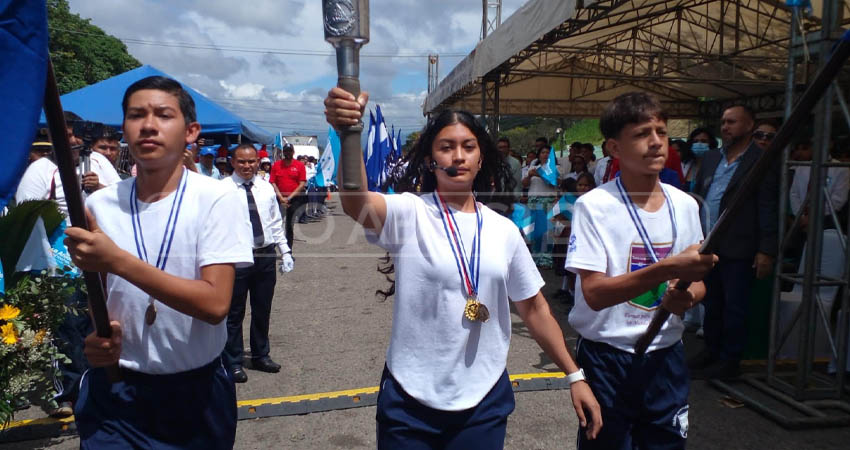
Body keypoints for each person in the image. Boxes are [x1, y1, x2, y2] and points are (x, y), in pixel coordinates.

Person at [324, 87, 601, 449]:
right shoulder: (410, 212)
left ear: (481, 158)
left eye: (468, 147)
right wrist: (349, 133)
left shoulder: (503, 230)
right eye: (446, 147)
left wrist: (574, 374)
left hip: (482, 402)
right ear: (429, 159)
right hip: (410, 399)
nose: (458, 156)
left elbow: (533, 308)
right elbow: (355, 201)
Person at [64, 75, 253, 449]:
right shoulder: (100, 204)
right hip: (116, 390)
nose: (148, 125)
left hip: (195, 395)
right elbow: (98, 294)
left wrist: (117, 260)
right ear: (125, 130)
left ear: (191, 131)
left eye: (163, 115)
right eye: (136, 115)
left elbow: (215, 305)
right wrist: (99, 337)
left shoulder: (217, 198)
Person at [566, 92, 717, 449]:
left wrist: (688, 297)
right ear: (615, 148)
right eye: (641, 134)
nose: (655, 143)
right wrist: (663, 269)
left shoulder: (685, 205)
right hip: (608, 357)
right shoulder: (595, 206)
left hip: (666, 354)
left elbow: (696, 284)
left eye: (661, 132)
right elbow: (595, 294)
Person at [689, 104, 779, 380]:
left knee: (735, 305)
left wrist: (766, 248)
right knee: (711, 303)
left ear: (750, 125)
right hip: (708, 244)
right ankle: (711, 351)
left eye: (732, 122)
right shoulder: (714, 157)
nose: (726, 127)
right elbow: (701, 194)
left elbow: (767, 206)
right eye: (724, 122)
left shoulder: (762, 160)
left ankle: (730, 361)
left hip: (739, 245)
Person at [222, 144, 294, 383]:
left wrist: (285, 251)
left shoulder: (265, 188)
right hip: (237, 257)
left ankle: (260, 355)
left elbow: (274, 222)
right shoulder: (221, 190)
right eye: (241, 161)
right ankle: (232, 361)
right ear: (232, 162)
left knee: (262, 309)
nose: (247, 166)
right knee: (234, 312)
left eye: (251, 161)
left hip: (265, 255)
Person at [523, 145, 559, 268]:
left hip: (548, 200)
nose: (545, 155)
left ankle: (546, 259)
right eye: (543, 152)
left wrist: (538, 175)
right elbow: (524, 184)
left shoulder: (556, 168)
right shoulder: (533, 167)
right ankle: (535, 257)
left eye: (548, 153)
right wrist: (529, 175)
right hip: (533, 201)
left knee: (548, 230)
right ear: (539, 155)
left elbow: (554, 181)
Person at [269, 143, 307, 251]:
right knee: (275, 225)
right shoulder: (276, 165)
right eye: (286, 151)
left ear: (293, 152)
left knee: (289, 226)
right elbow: (272, 182)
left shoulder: (299, 165)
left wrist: (288, 198)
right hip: (278, 199)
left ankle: (288, 251)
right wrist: (281, 197)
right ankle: (272, 249)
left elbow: (301, 184)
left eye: (290, 151)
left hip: (293, 200)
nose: (288, 153)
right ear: (283, 152)